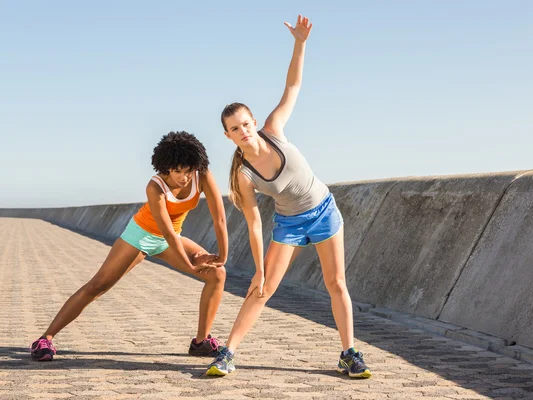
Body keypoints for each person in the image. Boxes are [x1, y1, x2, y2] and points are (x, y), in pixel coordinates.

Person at [206, 15, 371, 379]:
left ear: (253, 122)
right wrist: (259, 271)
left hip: (324, 210)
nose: (244, 131)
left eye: (246, 124)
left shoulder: (274, 128)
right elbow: (253, 222)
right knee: (261, 290)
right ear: (228, 136)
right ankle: (227, 354)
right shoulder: (244, 175)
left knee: (336, 283)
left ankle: (349, 353)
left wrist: (300, 43)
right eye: (235, 129)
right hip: (289, 223)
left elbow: (293, 85)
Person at [29, 131, 228, 361]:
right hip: (141, 235)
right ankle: (45, 339)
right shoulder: (155, 187)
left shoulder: (201, 175)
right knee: (98, 286)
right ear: (165, 167)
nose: (184, 177)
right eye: (177, 171)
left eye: (188, 171)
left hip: (172, 236)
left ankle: (201, 342)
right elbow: (166, 233)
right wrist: (191, 267)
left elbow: (219, 218)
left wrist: (222, 256)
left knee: (217, 273)